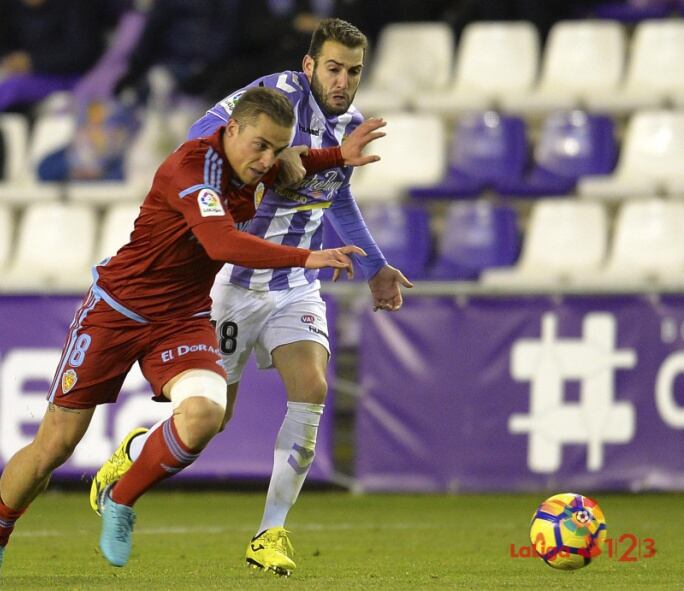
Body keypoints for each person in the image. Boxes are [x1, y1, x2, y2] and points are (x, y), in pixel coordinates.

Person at [0, 86, 386, 581]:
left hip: (181, 318)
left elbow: (296, 161)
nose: (269, 159)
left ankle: (121, 498)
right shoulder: (192, 168)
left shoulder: (256, 162)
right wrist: (307, 256)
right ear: (231, 130)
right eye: (261, 146)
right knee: (54, 446)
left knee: (207, 413)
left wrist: (337, 156)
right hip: (116, 310)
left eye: (277, 148)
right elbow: (220, 240)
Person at [90, 17, 411, 577]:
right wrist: (272, 162)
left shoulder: (350, 126)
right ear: (310, 65)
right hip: (235, 279)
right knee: (213, 420)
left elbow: (337, 203)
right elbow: (198, 140)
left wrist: (378, 267)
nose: (342, 81)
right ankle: (136, 456)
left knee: (311, 388)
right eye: (332, 68)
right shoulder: (274, 99)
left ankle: (270, 533)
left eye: (353, 72)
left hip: (297, 284)